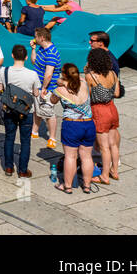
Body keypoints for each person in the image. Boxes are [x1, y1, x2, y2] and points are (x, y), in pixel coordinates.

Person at [51, 63, 98, 194]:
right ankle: (87, 185)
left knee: (70, 157)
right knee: (87, 157)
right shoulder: (83, 83)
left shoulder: (60, 90)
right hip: (88, 124)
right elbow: (71, 81)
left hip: (72, 125)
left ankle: (67, 186)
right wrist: (64, 82)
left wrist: (61, 83)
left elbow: (52, 100)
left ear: (65, 75)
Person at [0, 44, 41, 178]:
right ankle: (22, 170)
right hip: (26, 111)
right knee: (25, 141)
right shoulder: (33, 74)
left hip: (9, 109)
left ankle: (9, 167)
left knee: (9, 138)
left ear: (12, 55)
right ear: (26, 57)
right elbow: (36, 93)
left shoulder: (4, 71)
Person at [85, 48, 121, 184]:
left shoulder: (90, 77)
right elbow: (116, 93)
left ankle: (104, 175)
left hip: (99, 111)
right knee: (113, 144)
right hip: (112, 108)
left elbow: (87, 96)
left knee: (104, 147)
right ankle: (114, 171)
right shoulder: (112, 74)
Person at [31, 27, 61, 149]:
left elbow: (49, 74)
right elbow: (34, 61)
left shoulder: (52, 53)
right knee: (37, 109)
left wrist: (43, 88)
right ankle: (35, 130)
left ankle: (52, 137)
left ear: (42, 38)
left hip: (48, 88)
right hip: (38, 85)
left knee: (49, 112)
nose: (34, 38)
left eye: (36, 36)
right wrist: (33, 49)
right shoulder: (41, 49)